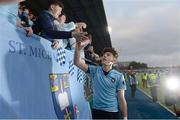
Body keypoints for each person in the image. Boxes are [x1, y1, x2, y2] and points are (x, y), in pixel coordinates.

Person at [74, 42, 127, 119]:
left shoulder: (119, 76)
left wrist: (125, 117)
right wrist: (78, 48)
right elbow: (77, 62)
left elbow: (121, 99)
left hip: (112, 113)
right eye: (104, 55)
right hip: (97, 112)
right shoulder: (94, 71)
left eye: (108, 55)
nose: (105, 56)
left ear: (114, 60)